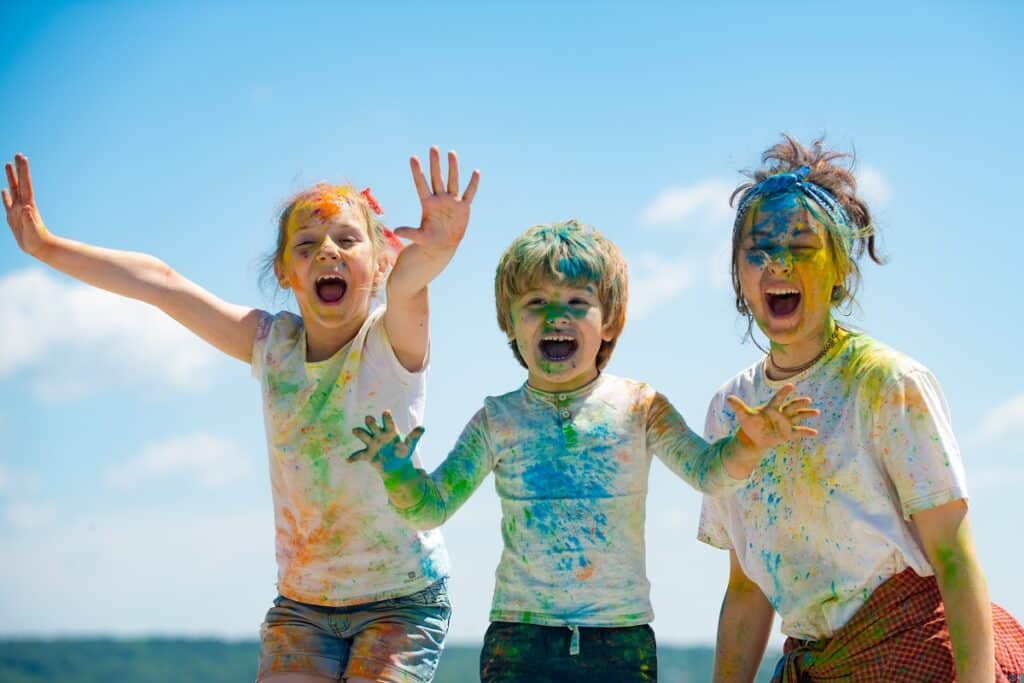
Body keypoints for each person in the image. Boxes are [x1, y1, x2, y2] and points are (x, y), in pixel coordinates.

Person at [3, 148, 480, 683]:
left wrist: (440, 247)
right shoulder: (271, 345)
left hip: (402, 598)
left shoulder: (392, 342)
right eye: (307, 244)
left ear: (381, 261)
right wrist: (46, 246)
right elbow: (161, 283)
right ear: (285, 271)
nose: (327, 250)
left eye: (347, 240)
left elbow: (411, 284)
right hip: (303, 604)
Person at [348, 220, 819, 682]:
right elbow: (432, 507)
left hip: (618, 640)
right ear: (508, 323)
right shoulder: (498, 419)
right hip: (520, 638)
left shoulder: (641, 406)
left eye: (578, 302)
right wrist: (397, 471)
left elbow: (710, 474)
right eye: (535, 303)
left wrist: (748, 444)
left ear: (609, 323)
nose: (557, 317)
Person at [699, 134, 1024, 682]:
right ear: (739, 276)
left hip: (917, 655)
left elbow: (953, 556)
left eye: (802, 246)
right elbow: (748, 588)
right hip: (815, 663)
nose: (778, 261)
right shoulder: (730, 413)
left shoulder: (887, 383)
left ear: (840, 270)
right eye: (759, 248)